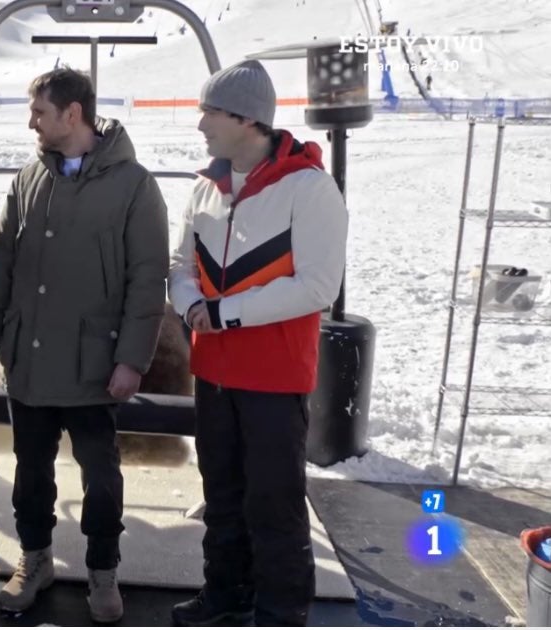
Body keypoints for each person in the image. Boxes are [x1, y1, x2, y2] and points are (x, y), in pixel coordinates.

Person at [0, 67, 169, 623]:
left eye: (39, 112)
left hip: (94, 367)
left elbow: (147, 278)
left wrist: (133, 359)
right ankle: (35, 561)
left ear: (72, 114)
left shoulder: (134, 185)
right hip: (29, 362)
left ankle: (103, 571)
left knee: (101, 478)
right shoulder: (29, 176)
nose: (32, 122)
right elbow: (2, 261)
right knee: (30, 473)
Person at [168, 59, 348, 626]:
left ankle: (280, 612)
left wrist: (225, 313)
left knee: (273, 503)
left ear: (247, 119)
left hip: (273, 375)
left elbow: (318, 286)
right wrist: (189, 303)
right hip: (213, 370)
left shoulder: (310, 187)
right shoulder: (205, 185)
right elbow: (179, 262)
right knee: (221, 493)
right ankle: (225, 594)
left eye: (210, 113)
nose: (201, 125)